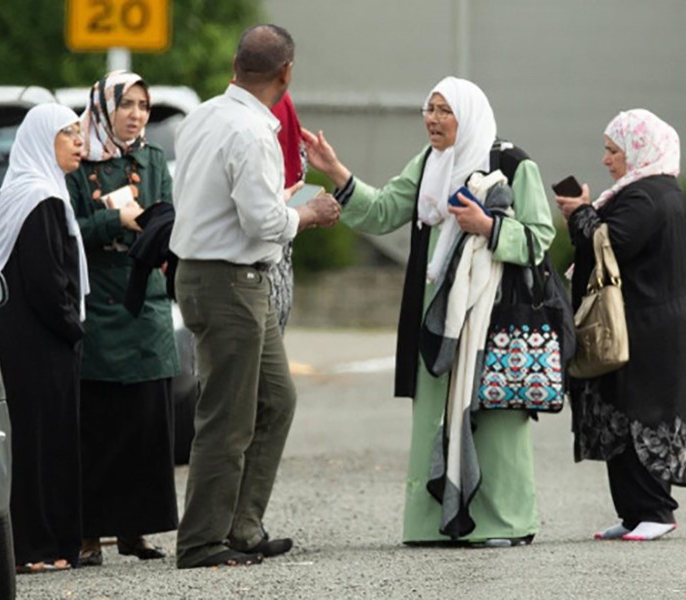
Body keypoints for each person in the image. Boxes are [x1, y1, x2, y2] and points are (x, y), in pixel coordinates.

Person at [303, 77, 555, 546]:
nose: (433, 119)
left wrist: (488, 226)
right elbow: (381, 211)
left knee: (495, 415)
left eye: (445, 111)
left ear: (469, 115)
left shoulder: (513, 164)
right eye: (429, 108)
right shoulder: (428, 164)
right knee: (435, 414)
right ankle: (431, 523)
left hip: (492, 313)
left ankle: (507, 523)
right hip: (435, 311)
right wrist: (338, 173)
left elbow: (540, 237)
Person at [169, 23, 341, 569]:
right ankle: (202, 541)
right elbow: (262, 220)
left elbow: (215, 198)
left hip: (213, 273)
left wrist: (277, 202)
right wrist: (307, 213)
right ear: (285, 73)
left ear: (237, 65)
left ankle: (240, 525)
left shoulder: (204, 116)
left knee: (276, 400)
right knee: (227, 416)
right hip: (230, 282)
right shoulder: (251, 131)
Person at [555, 109, 686, 542]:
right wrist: (582, 214)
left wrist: (581, 213)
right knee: (618, 410)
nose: (606, 160)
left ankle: (656, 510)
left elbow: (609, 243)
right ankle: (635, 512)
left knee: (645, 412)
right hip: (640, 320)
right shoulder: (643, 192)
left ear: (638, 150)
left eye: (613, 150)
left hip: (651, 327)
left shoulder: (650, 195)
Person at [64, 71, 180, 566]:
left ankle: (137, 530)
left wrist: (158, 229)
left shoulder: (152, 158)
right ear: (103, 106)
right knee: (98, 425)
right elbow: (69, 229)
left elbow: (169, 213)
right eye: (126, 104)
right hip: (99, 302)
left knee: (146, 423)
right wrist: (116, 220)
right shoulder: (77, 162)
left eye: (143, 105)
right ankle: (89, 534)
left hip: (146, 301)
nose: (135, 114)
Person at [0, 103, 90, 572]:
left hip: (34, 338)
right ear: (42, 140)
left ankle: (47, 544)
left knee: (44, 440)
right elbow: (47, 281)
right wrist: (73, 327)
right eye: (67, 133)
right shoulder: (39, 198)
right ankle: (37, 548)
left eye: (77, 131)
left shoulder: (36, 189)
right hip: (39, 342)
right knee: (41, 443)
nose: (78, 141)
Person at [267, 91, 306, 332]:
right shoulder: (256, 132)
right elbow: (262, 217)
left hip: (271, 267)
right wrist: (307, 214)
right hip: (263, 271)